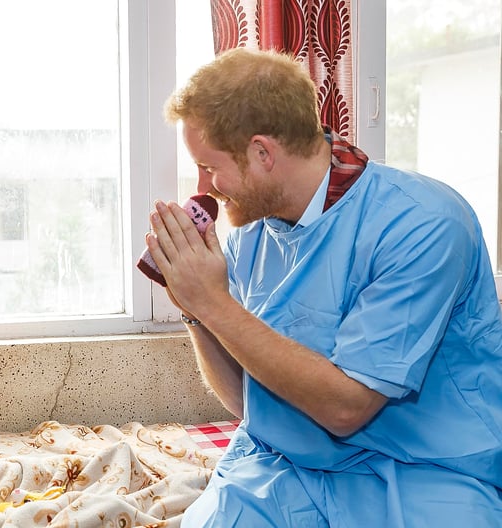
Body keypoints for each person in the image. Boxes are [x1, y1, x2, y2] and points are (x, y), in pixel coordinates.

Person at [145, 47, 502, 527]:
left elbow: (345, 407)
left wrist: (214, 302)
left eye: (209, 166)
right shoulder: (251, 236)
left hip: (429, 468)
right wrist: (195, 309)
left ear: (262, 152)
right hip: (287, 466)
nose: (203, 185)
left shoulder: (425, 224)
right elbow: (248, 403)